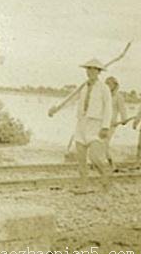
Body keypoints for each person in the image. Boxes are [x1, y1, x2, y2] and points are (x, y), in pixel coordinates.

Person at [48, 59, 112, 192]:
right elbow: (70, 100)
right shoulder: (83, 87)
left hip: (96, 124)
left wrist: (105, 127)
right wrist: (55, 109)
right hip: (81, 123)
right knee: (81, 158)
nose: (90, 72)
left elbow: (108, 108)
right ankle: (84, 186)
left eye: (93, 69)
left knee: (94, 157)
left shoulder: (104, 88)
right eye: (88, 69)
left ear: (98, 71)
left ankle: (105, 176)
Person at [104, 76, 129, 170]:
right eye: (106, 83)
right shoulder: (104, 95)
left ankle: (112, 165)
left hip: (111, 124)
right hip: (102, 123)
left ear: (115, 85)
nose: (107, 85)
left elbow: (123, 110)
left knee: (104, 144)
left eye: (109, 83)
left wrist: (124, 119)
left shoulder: (118, 97)